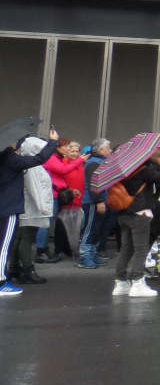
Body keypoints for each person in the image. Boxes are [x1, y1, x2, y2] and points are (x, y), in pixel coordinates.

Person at [0, 125, 57, 296]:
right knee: (4, 246)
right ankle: (1, 282)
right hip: (9, 208)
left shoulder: (4, 158)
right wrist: (53, 142)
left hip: (5, 205)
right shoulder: (11, 159)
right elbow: (38, 159)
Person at [112, 146, 160, 298]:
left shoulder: (119, 169)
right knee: (141, 249)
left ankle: (121, 282)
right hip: (140, 212)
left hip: (123, 212)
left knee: (126, 248)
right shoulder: (141, 170)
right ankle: (137, 282)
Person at [14, 137, 54, 285]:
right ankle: (27, 270)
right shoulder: (32, 166)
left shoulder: (28, 164)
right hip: (32, 209)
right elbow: (34, 189)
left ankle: (14, 268)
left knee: (20, 238)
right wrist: (43, 208)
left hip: (29, 208)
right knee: (26, 239)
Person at [44, 139, 87, 260]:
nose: (74, 153)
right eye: (71, 150)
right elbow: (61, 177)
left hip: (78, 198)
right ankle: (59, 249)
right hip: (66, 197)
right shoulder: (64, 162)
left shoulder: (81, 164)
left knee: (74, 225)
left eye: (76, 151)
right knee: (62, 225)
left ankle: (69, 249)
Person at [78, 138, 112, 269]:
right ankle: (84, 257)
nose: (110, 150)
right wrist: (99, 201)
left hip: (98, 201)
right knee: (90, 229)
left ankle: (92, 254)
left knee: (95, 229)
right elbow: (94, 185)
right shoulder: (94, 163)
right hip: (92, 202)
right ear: (101, 149)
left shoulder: (100, 162)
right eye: (108, 148)